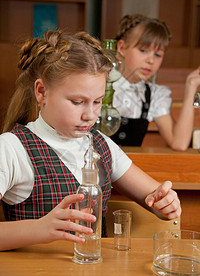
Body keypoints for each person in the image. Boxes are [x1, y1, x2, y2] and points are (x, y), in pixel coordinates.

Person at [0, 30, 181, 251]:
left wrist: (164, 203)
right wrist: (38, 228)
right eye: (77, 102)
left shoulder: (101, 143)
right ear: (41, 92)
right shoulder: (11, 148)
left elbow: (153, 197)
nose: (90, 115)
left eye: (97, 101)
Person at [111, 14, 200, 150]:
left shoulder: (153, 95)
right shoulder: (100, 84)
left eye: (158, 55)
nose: (151, 60)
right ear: (122, 48)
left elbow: (179, 143)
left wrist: (191, 87)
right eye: (143, 50)